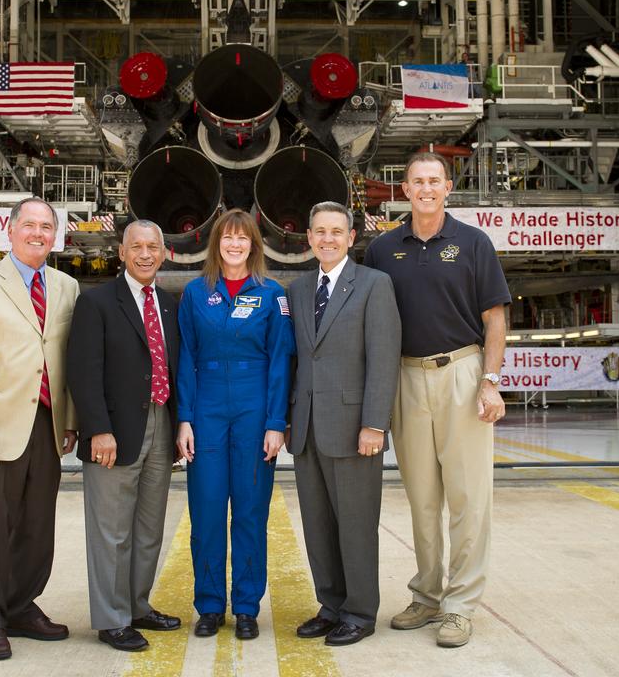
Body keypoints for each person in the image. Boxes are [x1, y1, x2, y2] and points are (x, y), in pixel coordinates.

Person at [366, 152, 511, 649]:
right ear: (403, 190)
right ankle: (427, 594)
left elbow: (495, 318)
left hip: (462, 373)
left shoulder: (473, 243)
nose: (426, 188)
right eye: (416, 181)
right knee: (422, 497)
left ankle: (460, 604)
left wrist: (490, 380)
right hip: (406, 376)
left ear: (447, 187)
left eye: (434, 180)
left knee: (468, 497)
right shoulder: (383, 249)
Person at [0, 197, 79, 661]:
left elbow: (69, 359)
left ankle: (21, 606)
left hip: (47, 424)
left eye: (47, 227)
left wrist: (71, 421)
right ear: (10, 230)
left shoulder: (66, 287)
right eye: (30, 225)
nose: (38, 234)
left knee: (36, 526)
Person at [175, 209, 295, 641]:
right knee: (206, 512)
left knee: (249, 512)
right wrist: (184, 418)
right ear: (216, 243)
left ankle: (246, 606)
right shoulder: (193, 293)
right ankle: (209, 606)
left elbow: (282, 359)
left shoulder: (271, 294)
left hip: (253, 408)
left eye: (242, 238)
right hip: (206, 410)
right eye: (227, 237)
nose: (234, 244)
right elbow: (185, 358)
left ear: (254, 245)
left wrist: (275, 421)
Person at [287, 202, 401, 647]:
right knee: (317, 524)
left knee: (355, 523)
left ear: (352, 238)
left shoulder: (374, 284)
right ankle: (331, 605)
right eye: (320, 231)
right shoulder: (297, 290)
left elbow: (383, 357)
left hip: (355, 426)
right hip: (308, 427)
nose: (328, 239)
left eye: (337, 231)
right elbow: (299, 359)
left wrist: (375, 423)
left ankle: (359, 611)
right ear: (309, 238)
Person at [67, 220, 182, 652]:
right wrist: (98, 429)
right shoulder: (96, 302)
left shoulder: (168, 304)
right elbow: (83, 371)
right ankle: (111, 617)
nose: (146, 254)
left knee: (149, 528)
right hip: (114, 431)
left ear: (165, 252)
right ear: (122, 252)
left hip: (160, 424)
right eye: (137, 247)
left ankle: (136, 605)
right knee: (111, 530)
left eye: (153, 246)